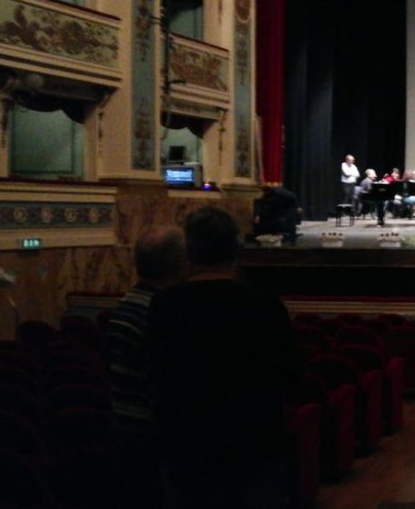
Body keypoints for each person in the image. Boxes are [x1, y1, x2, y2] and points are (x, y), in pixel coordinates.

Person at [147, 207, 296, 508]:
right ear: (237, 248)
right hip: (255, 447)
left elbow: (157, 374)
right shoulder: (264, 305)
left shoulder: (164, 307)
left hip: (187, 447)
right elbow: (289, 374)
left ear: (189, 252)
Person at [104, 227, 186, 509]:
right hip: (154, 437)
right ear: (180, 264)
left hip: (126, 428)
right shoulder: (161, 314)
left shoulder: (125, 305)